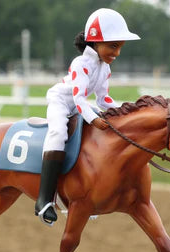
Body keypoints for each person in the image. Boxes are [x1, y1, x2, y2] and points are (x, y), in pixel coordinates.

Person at [35, 8, 140, 224]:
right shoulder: (80, 64)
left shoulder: (104, 68)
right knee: (58, 133)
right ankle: (44, 200)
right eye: (113, 46)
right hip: (61, 102)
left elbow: (103, 99)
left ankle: (85, 194)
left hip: (78, 105)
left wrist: (126, 111)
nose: (117, 53)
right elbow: (79, 98)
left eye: (120, 47)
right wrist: (94, 118)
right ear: (95, 41)